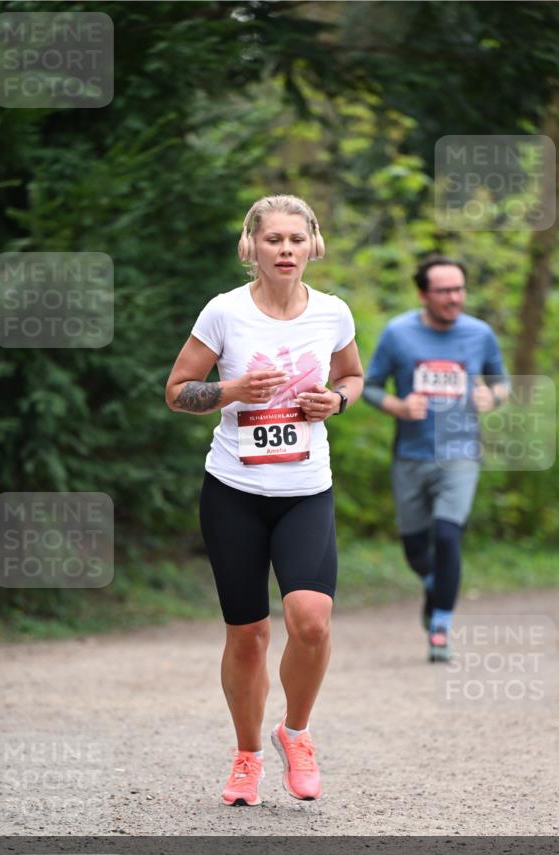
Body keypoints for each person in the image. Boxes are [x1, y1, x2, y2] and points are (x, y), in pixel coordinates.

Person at [165, 194, 363, 806]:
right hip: (234, 492)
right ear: (251, 246)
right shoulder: (224, 312)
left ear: (314, 245)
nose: (285, 250)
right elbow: (177, 390)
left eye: (296, 239)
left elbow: (352, 376)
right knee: (248, 635)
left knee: (311, 620)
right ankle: (247, 755)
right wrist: (232, 389)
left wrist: (338, 401)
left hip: (305, 491)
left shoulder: (332, 312)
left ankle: (294, 733)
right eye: (273, 239)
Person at [362, 254, 509, 662]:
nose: (454, 298)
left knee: (447, 535)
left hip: (460, 453)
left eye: (459, 289)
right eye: (444, 291)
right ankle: (436, 584)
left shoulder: (480, 334)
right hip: (410, 454)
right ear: (423, 293)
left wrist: (492, 396)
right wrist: (398, 406)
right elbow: (369, 386)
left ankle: (440, 624)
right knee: (415, 550)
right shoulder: (398, 334)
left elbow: (502, 382)